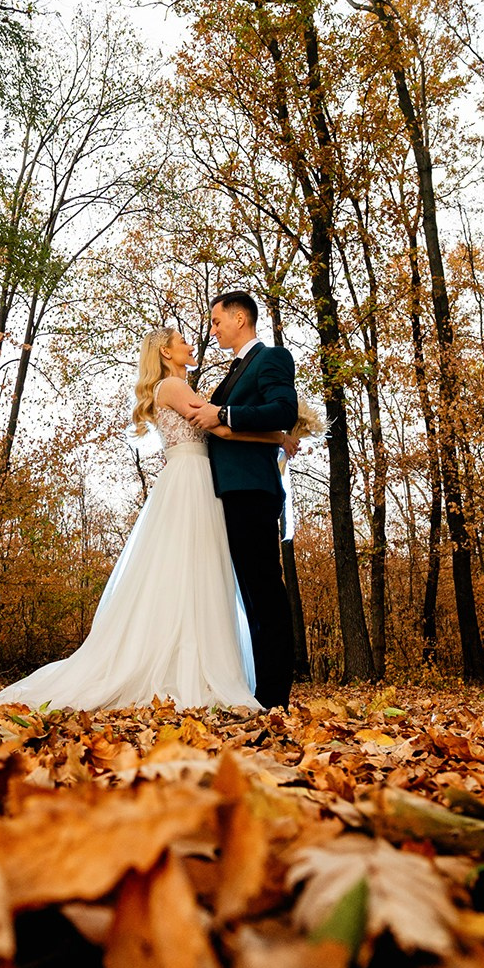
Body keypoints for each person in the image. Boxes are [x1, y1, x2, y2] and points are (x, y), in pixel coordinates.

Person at [0, 323, 299, 712]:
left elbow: (223, 425)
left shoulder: (181, 387)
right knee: (189, 570)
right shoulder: (172, 388)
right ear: (166, 353)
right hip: (190, 480)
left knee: (198, 573)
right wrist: (278, 437)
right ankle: (183, 667)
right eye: (181, 341)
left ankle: (200, 662)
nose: (191, 343)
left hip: (202, 479)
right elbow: (219, 427)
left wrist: (272, 434)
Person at [188, 291, 300, 709]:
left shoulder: (271, 358)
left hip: (252, 489)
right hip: (231, 491)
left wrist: (224, 414)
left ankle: (275, 696)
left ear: (240, 318)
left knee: (265, 590)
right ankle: (263, 691)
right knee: (251, 593)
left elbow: (282, 409)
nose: (213, 329)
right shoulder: (235, 370)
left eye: (217, 321)